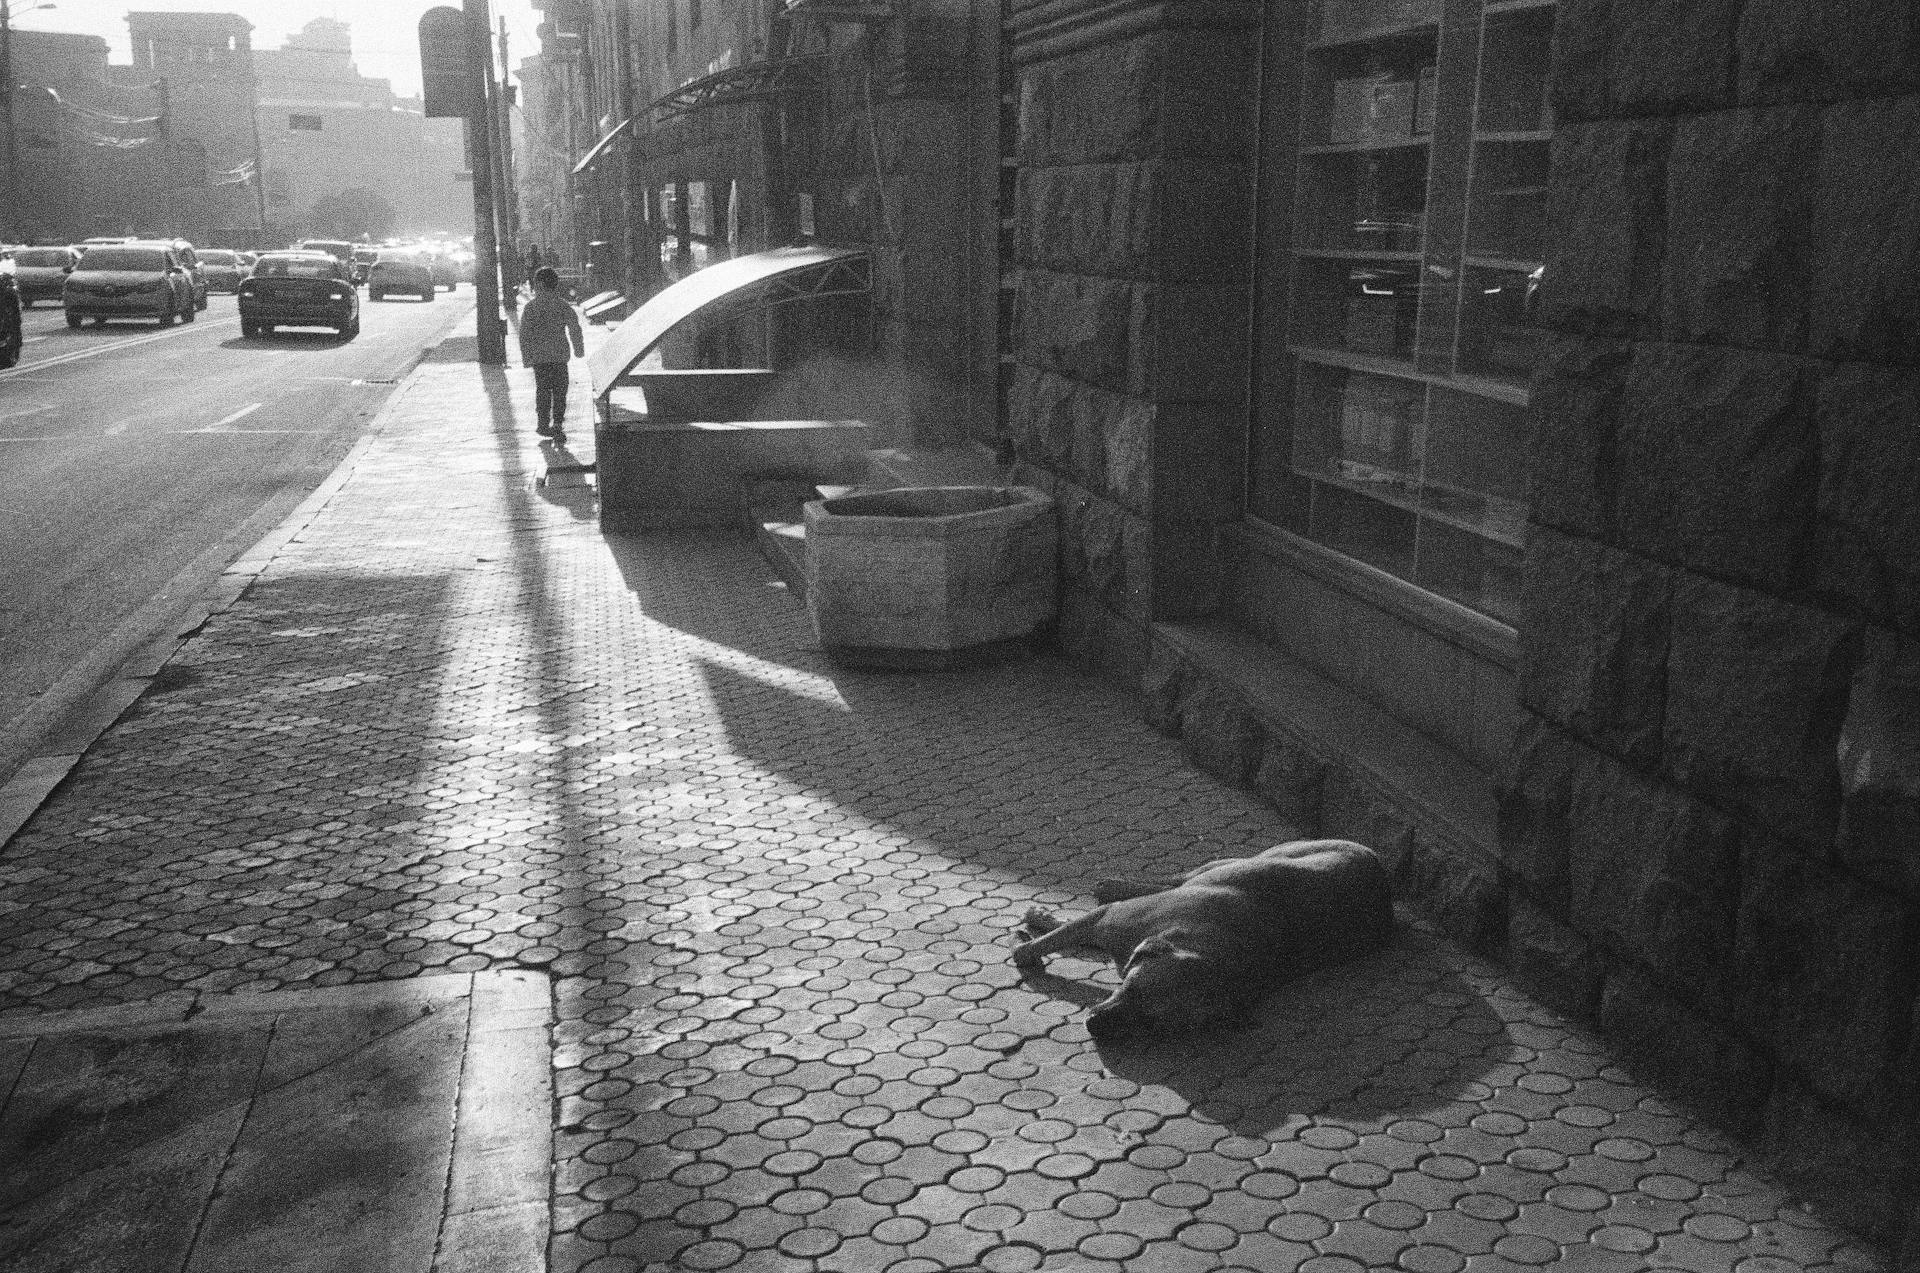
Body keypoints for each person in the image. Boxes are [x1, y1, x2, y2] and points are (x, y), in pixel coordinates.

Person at [518, 265, 584, 441]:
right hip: (559, 356)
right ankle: (558, 424)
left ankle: (542, 423)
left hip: (540, 358)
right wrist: (579, 349)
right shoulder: (562, 305)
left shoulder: (531, 308)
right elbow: (574, 328)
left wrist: (526, 356)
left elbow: (524, 334)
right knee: (560, 391)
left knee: (543, 390)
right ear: (555, 285)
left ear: (538, 285)